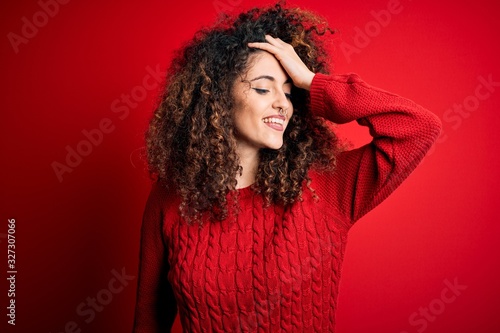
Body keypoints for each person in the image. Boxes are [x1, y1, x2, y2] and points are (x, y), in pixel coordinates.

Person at [132, 3, 442, 332]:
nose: (282, 102)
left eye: (290, 92)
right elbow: (150, 317)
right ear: (219, 97)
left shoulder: (325, 188)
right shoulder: (172, 197)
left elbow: (419, 127)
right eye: (264, 88)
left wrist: (314, 81)